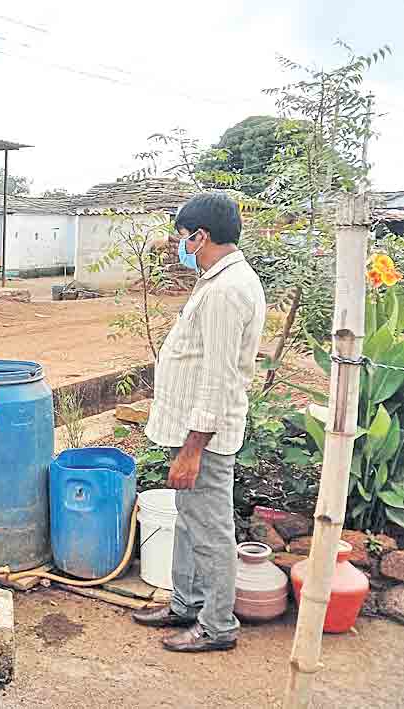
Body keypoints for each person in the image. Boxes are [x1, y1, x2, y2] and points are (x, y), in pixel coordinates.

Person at [132, 192, 266, 653]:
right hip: (194, 430)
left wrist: (193, 449)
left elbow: (218, 379)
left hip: (204, 437)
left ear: (200, 236)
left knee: (209, 531)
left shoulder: (227, 291)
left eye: (181, 238)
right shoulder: (219, 280)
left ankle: (217, 626)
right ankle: (187, 604)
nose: (179, 246)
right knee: (190, 523)